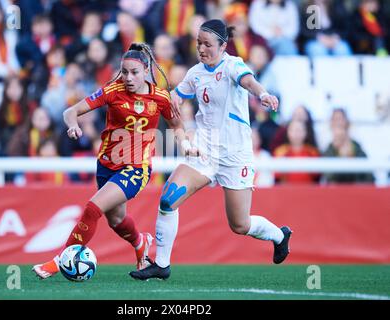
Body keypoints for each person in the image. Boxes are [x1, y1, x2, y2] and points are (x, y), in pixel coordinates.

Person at [130, 19, 292, 281]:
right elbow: (178, 96)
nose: (202, 49)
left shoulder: (233, 65)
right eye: (198, 43)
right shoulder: (195, 73)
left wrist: (262, 93)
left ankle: (279, 235)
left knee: (240, 224)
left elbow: (249, 82)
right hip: (204, 150)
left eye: (207, 44)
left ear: (223, 46)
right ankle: (161, 264)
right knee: (168, 200)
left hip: (234, 155)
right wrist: (168, 98)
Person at [32, 43, 193, 279]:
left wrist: (187, 145)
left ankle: (60, 260)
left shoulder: (160, 97)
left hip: (137, 168)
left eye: (134, 72)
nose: (128, 77)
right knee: (116, 220)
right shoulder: (112, 90)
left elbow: (177, 126)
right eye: (125, 71)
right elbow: (70, 112)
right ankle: (140, 244)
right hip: (107, 164)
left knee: (92, 208)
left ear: (147, 70)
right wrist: (74, 125)